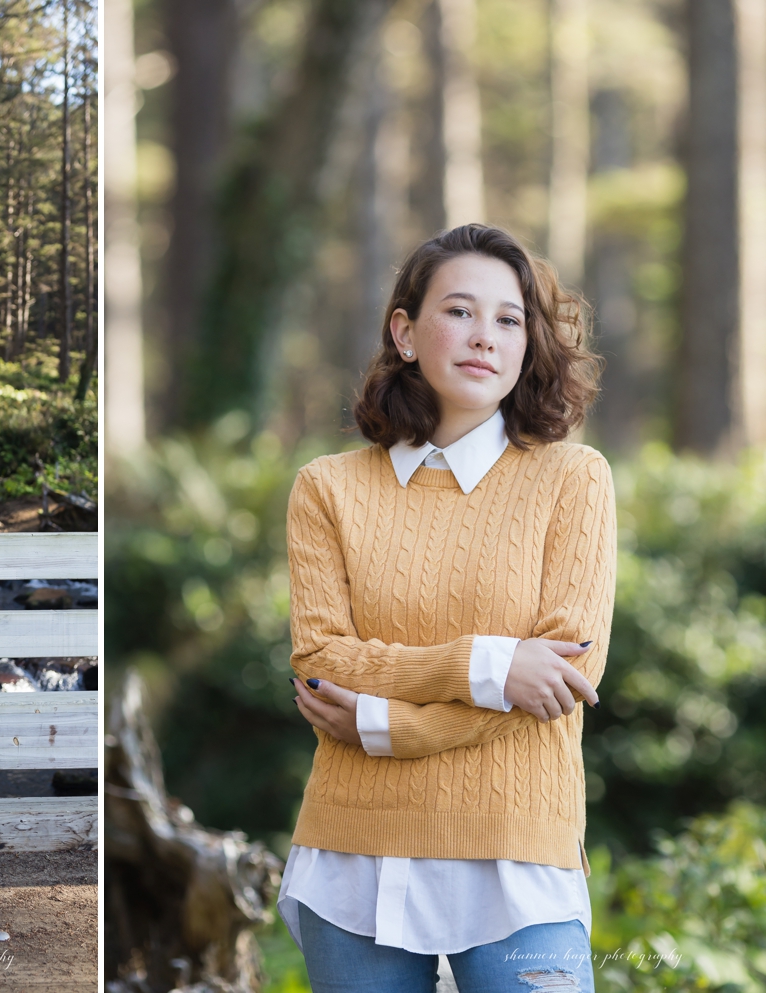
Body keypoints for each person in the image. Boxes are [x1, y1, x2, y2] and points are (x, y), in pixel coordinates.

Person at [282, 223, 612, 991]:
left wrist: (386, 724)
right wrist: (490, 664)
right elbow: (324, 659)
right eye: (460, 311)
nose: (485, 337)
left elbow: (565, 675)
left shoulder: (573, 479)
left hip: (519, 851)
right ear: (405, 331)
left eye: (509, 320)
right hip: (352, 853)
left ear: (529, 344)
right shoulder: (328, 488)